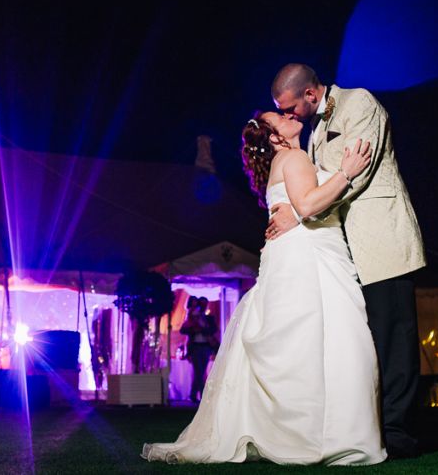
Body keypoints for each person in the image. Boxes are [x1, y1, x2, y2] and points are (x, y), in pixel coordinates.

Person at [143, 110, 385, 465]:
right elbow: (307, 204)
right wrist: (347, 172)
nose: (290, 115)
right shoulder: (295, 157)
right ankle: (325, 436)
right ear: (274, 137)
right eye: (280, 117)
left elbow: (298, 205)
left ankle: (298, 430)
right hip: (309, 256)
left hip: (292, 255)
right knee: (331, 341)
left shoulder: (286, 161)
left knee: (304, 344)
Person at [268, 64, 426, 458]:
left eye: (289, 108)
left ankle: (399, 432)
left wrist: (302, 211)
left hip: (382, 238)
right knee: (365, 343)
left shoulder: (360, 102)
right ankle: (372, 426)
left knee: (394, 338)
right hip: (347, 247)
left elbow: (358, 172)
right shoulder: (314, 131)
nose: (288, 116)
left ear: (308, 94)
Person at [179, 296, 218, 403]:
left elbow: (213, 330)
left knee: (201, 371)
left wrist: (201, 328)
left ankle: (195, 394)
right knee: (199, 371)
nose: (203, 306)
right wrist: (193, 326)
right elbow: (182, 330)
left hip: (206, 347)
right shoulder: (191, 317)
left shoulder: (209, 318)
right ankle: (201, 395)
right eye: (201, 304)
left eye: (205, 304)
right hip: (195, 347)